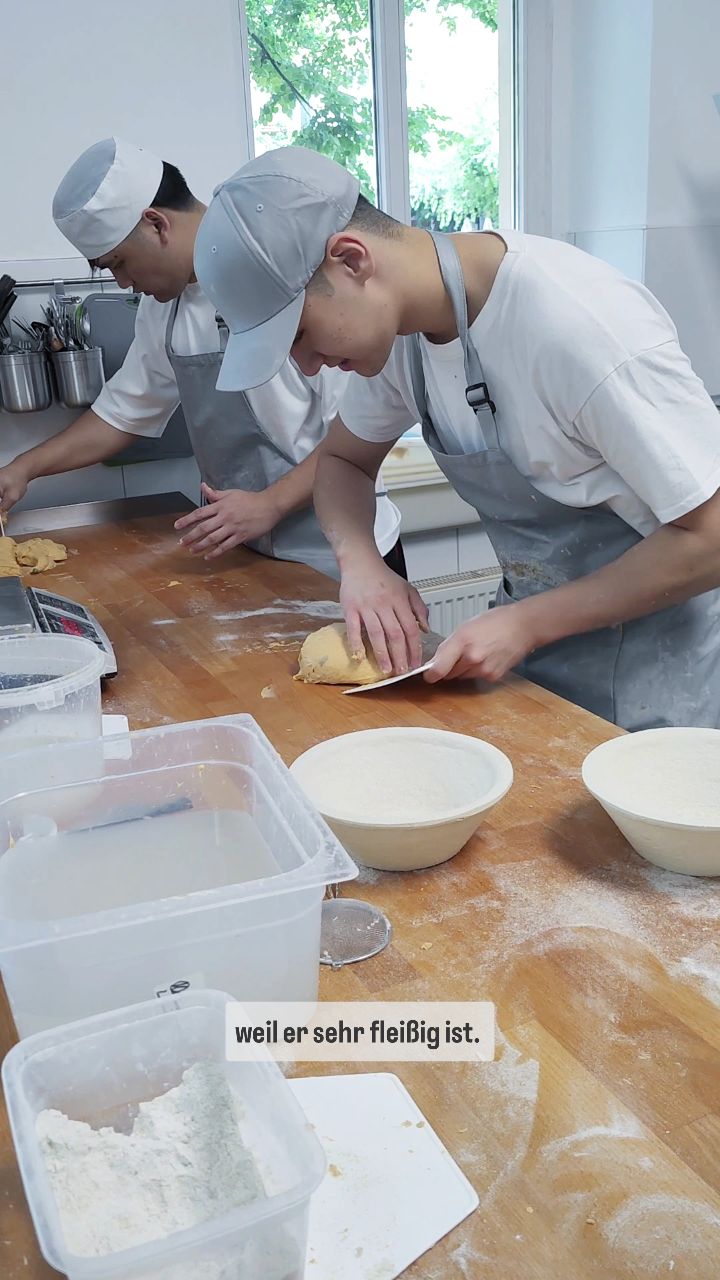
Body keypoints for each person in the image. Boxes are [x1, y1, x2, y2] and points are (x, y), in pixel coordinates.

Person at [193, 145, 720, 731]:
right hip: (541, 653)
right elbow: (343, 461)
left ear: (351, 260)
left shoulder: (575, 327)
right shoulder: (402, 339)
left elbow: (712, 535)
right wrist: (361, 561)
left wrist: (527, 624)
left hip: (669, 668)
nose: (309, 367)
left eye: (299, 335)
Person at [0, 138, 402, 579]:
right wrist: (23, 469)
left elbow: (358, 430)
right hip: (247, 547)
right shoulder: (162, 309)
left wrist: (270, 504)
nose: (121, 283)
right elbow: (123, 413)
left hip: (349, 551)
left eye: (119, 263)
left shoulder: (279, 272)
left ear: (156, 224)